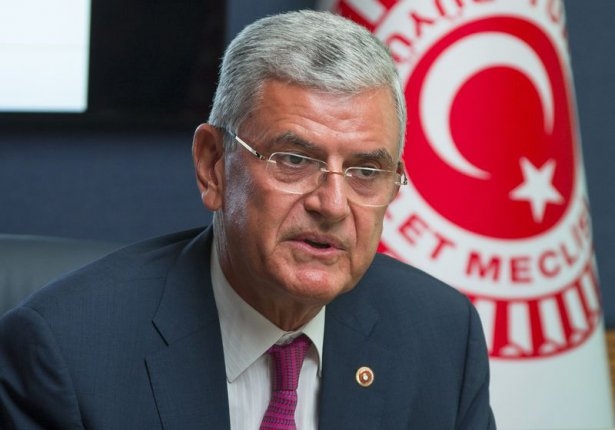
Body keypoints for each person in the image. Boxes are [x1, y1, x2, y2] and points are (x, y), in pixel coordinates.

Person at [0, 10, 496, 430]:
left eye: (366, 171)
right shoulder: (64, 353)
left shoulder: (441, 335)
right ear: (213, 165)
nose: (332, 204)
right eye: (294, 160)